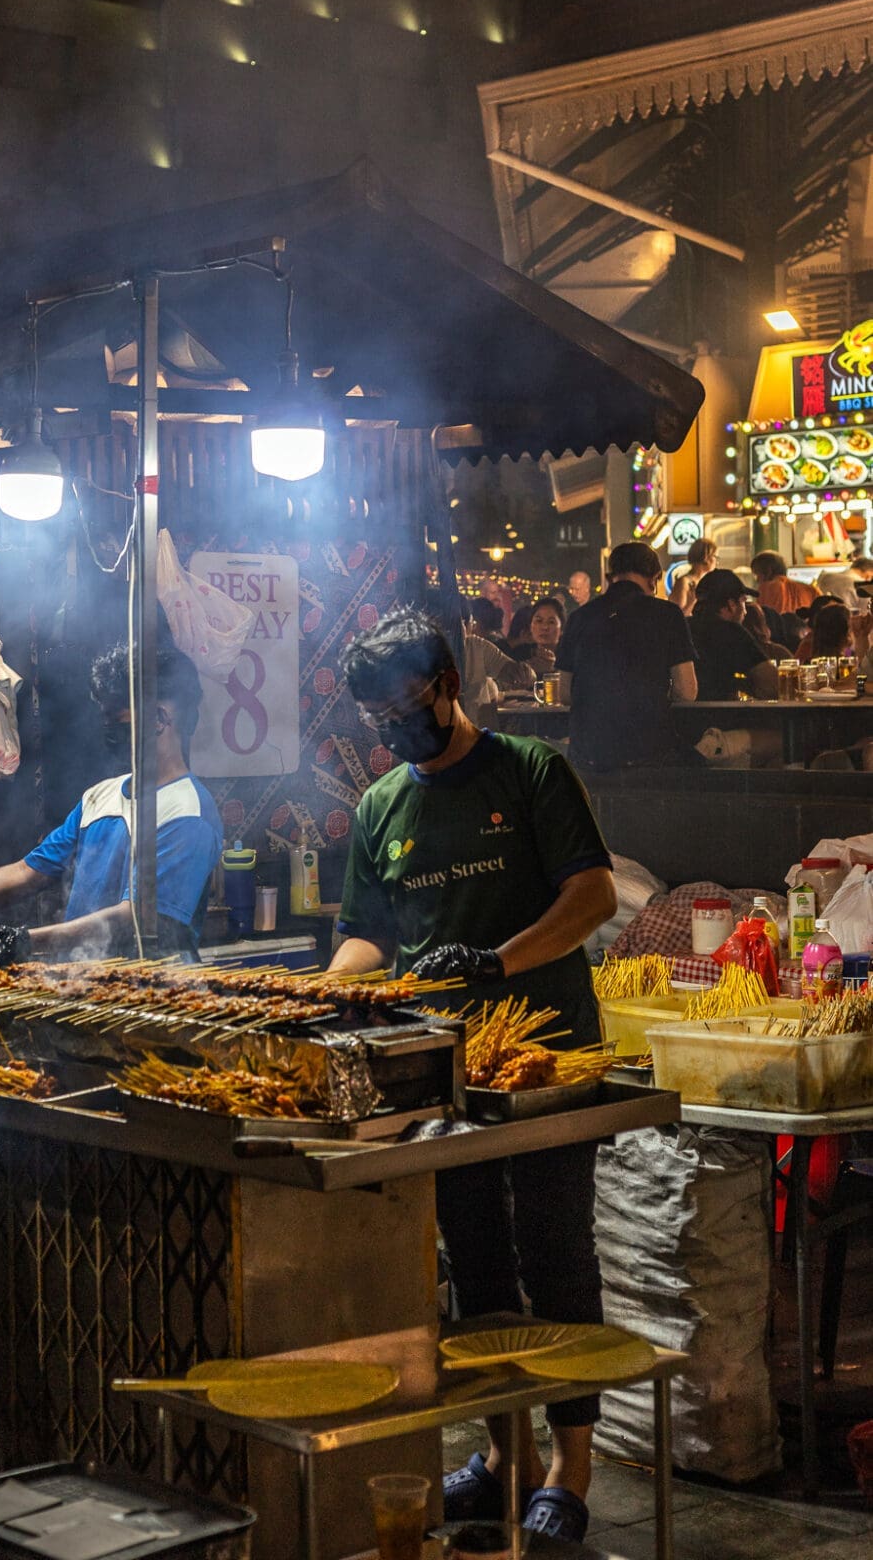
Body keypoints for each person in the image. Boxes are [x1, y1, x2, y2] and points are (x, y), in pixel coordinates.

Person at [332, 608, 616, 1545]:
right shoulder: (381, 808)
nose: (393, 733)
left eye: (404, 711)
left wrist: (498, 961)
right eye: (377, 722)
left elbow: (592, 894)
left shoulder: (530, 772)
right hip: (443, 1074)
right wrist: (327, 993)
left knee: (555, 1253)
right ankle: (509, 1459)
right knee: (478, 1268)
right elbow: (370, 936)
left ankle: (572, 1471)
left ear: (448, 685)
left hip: (545, 1065)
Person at [0, 643, 222, 959]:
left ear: (158, 719)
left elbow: (134, 916)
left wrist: (26, 940)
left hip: (154, 993)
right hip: (87, 985)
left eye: (115, 720)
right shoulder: (100, 797)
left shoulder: (187, 811)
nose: (107, 731)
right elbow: (29, 872)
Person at [554, 543, 697, 771]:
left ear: (611, 577)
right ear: (655, 578)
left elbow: (564, 694)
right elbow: (687, 691)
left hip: (588, 754)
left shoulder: (579, 617)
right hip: (649, 751)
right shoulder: (668, 615)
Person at [689, 571, 779, 700]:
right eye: (743, 601)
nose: (746, 611)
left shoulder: (684, 627)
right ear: (731, 604)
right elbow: (772, 686)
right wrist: (742, 684)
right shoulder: (731, 632)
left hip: (681, 716)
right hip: (720, 716)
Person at [509, 597, 564, 676]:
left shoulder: (569, 657)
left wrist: (554, 670)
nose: (544, 627)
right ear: (530, 626)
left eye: (551, 622)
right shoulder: (519, 655)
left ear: (562, 629)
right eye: (539, 621)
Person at [752, 550, 816, 617]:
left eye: (757, 574)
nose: (757, 580)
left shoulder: (766, 588)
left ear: (768, 571)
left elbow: (763, 619)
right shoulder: (812, 590)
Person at [669, 536, 717, 612]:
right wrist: (692, 602)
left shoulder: (708, 583)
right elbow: (676, 616)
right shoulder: (684, 583)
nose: (716, 561)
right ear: (706, 557)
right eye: (715, 556)